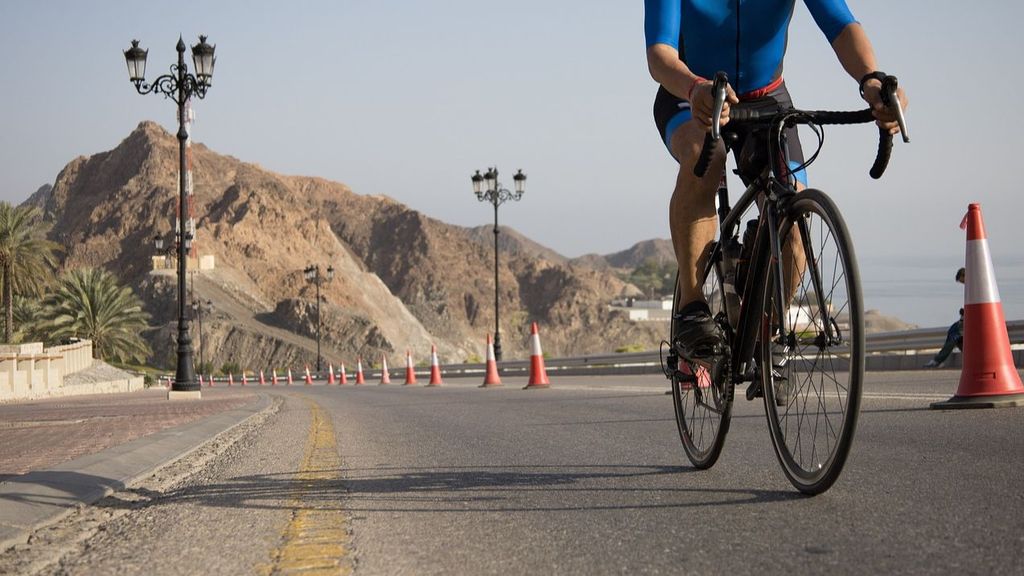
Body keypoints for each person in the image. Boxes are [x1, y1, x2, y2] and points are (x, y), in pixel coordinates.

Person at [644, 0, 910, 359]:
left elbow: (840, 24)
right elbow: (660, 54)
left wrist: (871, 78)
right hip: (691, 95)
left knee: (795, 216)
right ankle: (692, 308)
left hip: (768, 97)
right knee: (704, 158)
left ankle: (766, 335)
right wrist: (694, 89)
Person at [925, 267, 967, 368]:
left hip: (971, 320)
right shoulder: (972, 286)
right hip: (967, 318)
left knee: (954, 334)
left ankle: (938, 360)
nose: (963, 284)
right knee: (954, 334)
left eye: (962, 281)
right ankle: (939, 360)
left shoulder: (973, 285)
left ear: (964, 276)